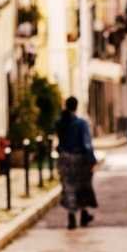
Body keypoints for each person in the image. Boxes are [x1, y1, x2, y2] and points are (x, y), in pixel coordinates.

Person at [55, 96, 97, 229]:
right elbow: (87, 144)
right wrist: (91, 160)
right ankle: (83, 214)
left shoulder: (60, 122)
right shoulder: (81, 123)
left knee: (68, 187)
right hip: (79, 158)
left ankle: (71, 216)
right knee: (83, 186)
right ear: (76, 106)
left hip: (64, 158)